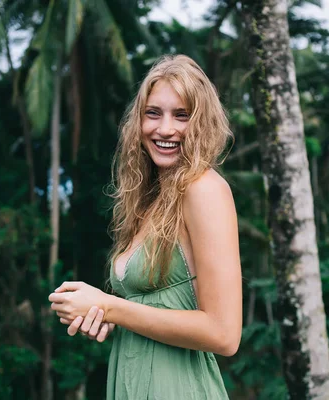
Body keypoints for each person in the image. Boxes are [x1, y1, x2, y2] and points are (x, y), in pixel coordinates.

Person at [48, 54, 242, 399]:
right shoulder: (150, 199)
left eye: (181, 115)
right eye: (153, 113)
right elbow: (158, 310)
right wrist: (105, 314)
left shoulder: (203, 189)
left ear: (201, 123)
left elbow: (224, 334)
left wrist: (113, 307)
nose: (164, 129)